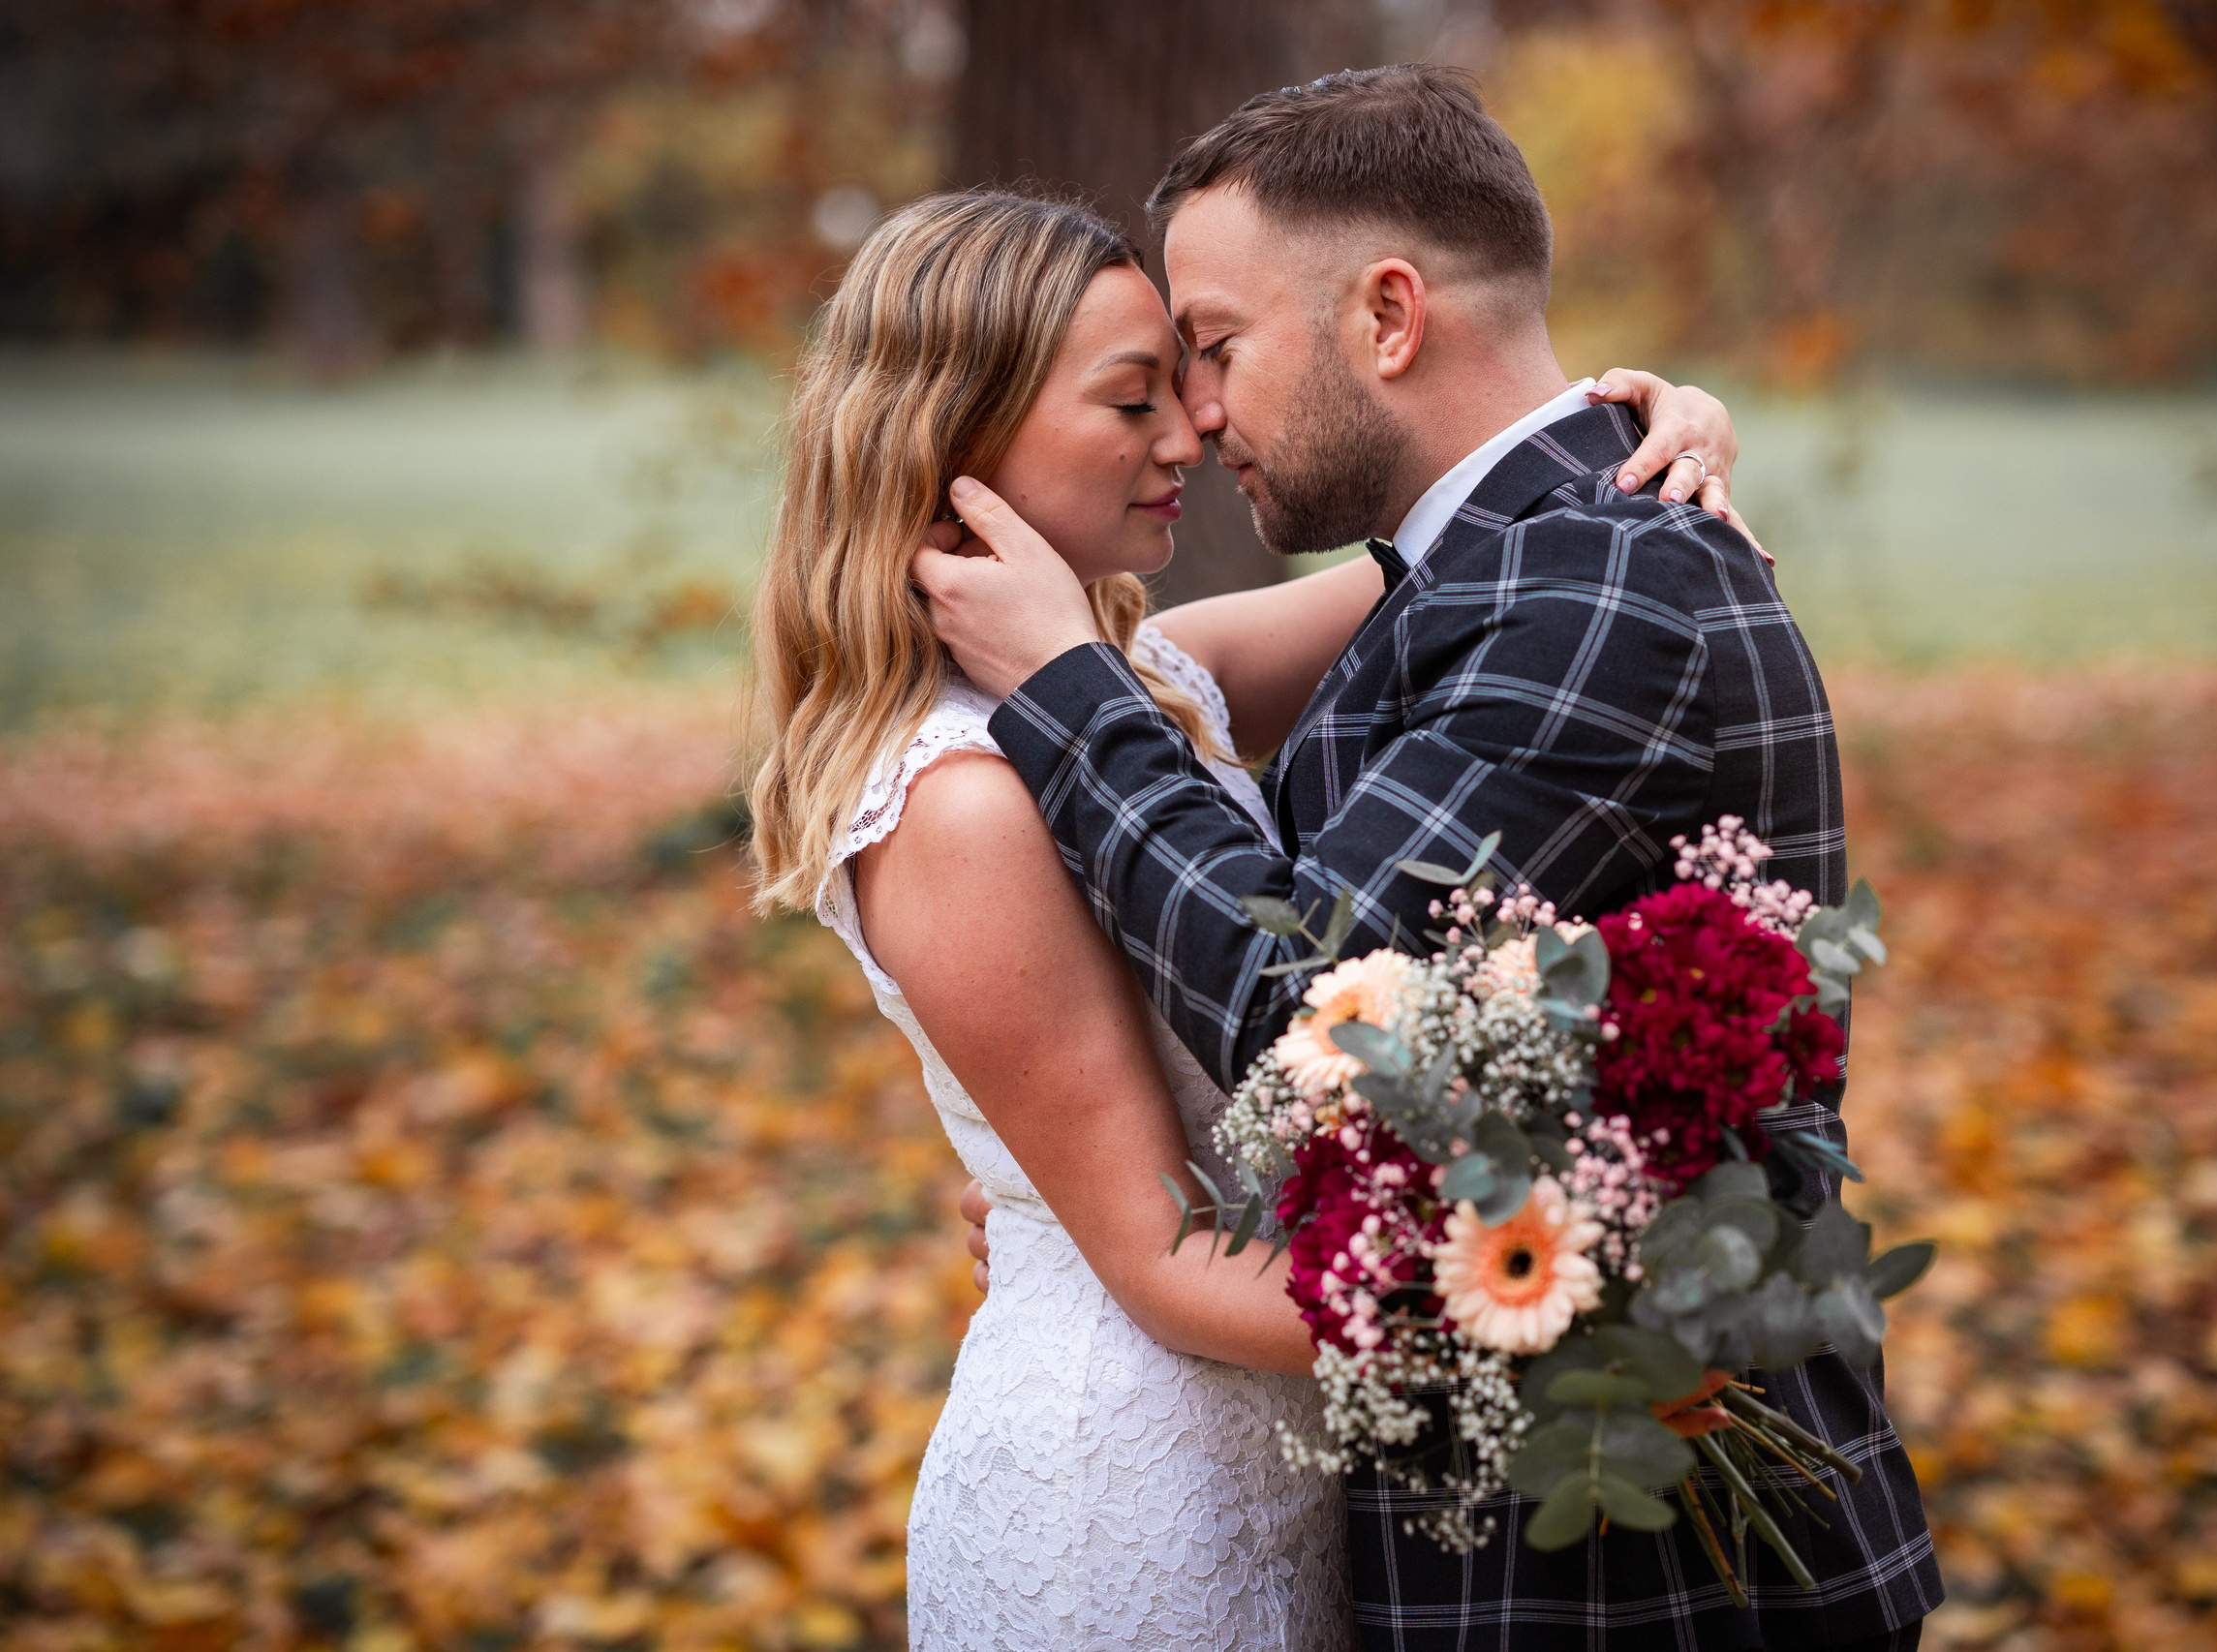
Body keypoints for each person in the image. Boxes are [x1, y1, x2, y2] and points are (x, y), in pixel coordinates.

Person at [914, 67, 1942, 1652]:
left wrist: (1064, 685)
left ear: (1388, 316)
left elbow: (1317, 1006)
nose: (1198, 414)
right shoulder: (1490, 564)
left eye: (1218, 348)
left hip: (1640, 1569)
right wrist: (1062, 1169)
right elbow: (1190, 736)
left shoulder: (1600, 595)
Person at [746, 187, 1741, 1649]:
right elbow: (1155, 1255)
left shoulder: (1154, 673)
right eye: (1133, 396)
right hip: (1129, 1497)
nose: (1191, 430)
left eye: (1189, 377)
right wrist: (1560, 1328)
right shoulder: (955, 801)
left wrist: (1657, 426)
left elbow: (1477, 550)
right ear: (960, 444)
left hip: (1285, 1444)